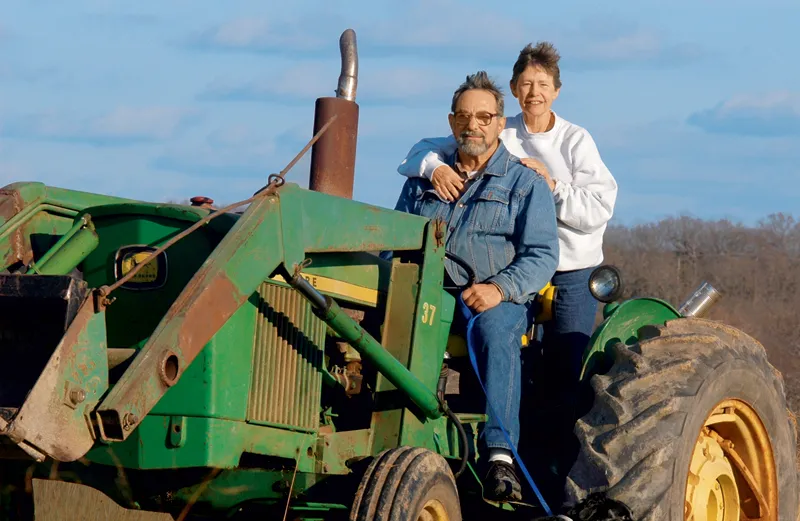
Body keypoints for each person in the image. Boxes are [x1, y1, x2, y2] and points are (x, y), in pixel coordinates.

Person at [396, 42, 618, 478]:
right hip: (497, 261)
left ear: (556, 90)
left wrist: (551, 186)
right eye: (526, 84)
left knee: (563, 367)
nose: (534, 92)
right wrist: (432, 168)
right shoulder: (498, 128)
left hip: (567, 263)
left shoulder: (575, 140)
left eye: (543, 85)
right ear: (515, 89)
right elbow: (428, 148)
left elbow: (597, 208)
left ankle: (549, 465)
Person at [390, 71, 559, 502]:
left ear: (501, 124)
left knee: (495, 330)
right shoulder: (424, 181)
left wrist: (500, 289)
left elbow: (542, 255)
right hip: (431, 291)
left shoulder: (525, 183)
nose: (474, 125)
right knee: (390, 323)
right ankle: (395, 435)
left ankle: (500, 456)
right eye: (464, 117)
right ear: (451, 123)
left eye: (484, 117)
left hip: (496, 295)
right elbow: (394, 242)